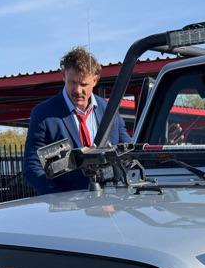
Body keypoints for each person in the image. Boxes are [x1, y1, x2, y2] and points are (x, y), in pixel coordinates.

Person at [22, 46, 131, 194]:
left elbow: (128, 152)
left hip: (110, 206)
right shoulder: (43, 114)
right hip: (69, 210)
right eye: (72, 82)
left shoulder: (109, 110)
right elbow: (32, 167)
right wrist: (62, 201)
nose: (78, 90)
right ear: (63, 76)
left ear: (95, 80)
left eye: (84, 84)